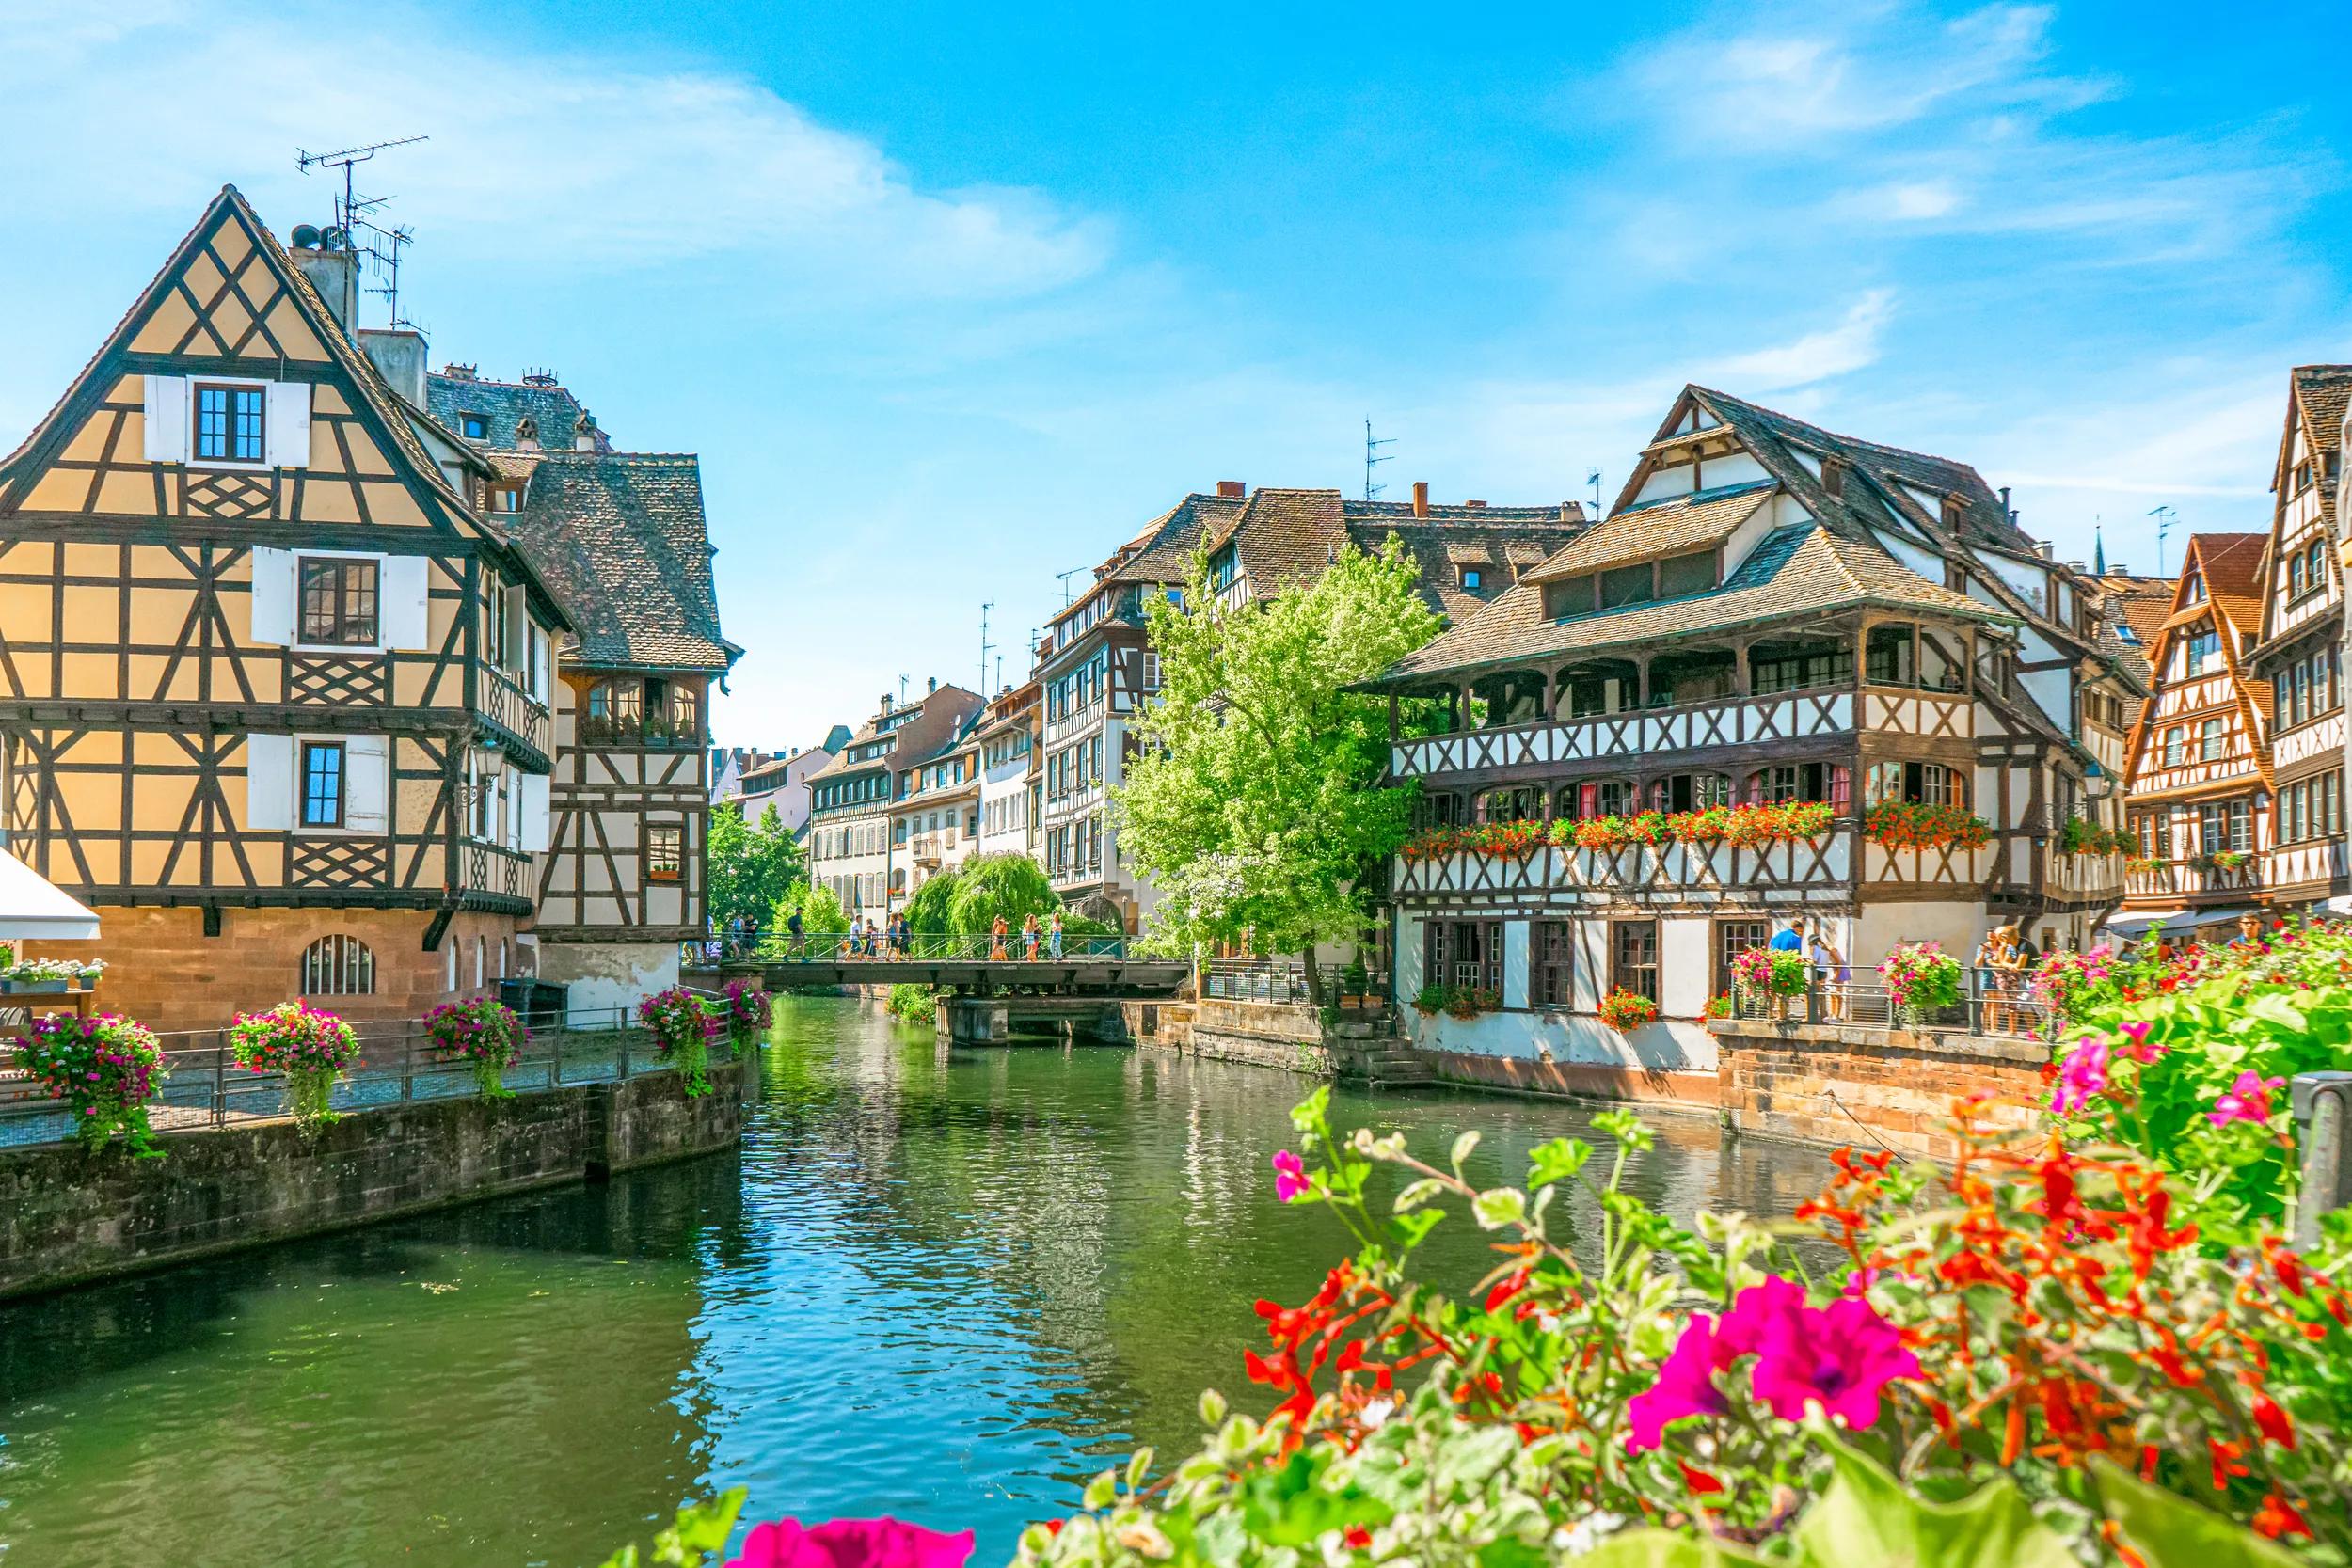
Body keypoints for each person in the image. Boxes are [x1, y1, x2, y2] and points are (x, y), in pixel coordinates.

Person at [1806, 924, 1848, 1022]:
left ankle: (1836, 1015)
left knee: (1837, 993)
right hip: (1834, 968)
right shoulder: (1825, 949)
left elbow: (1838, 962)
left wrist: (1836, 976)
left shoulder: (1830, 949)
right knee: (1833, 993)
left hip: (1839, 969)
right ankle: (1833, 1014)